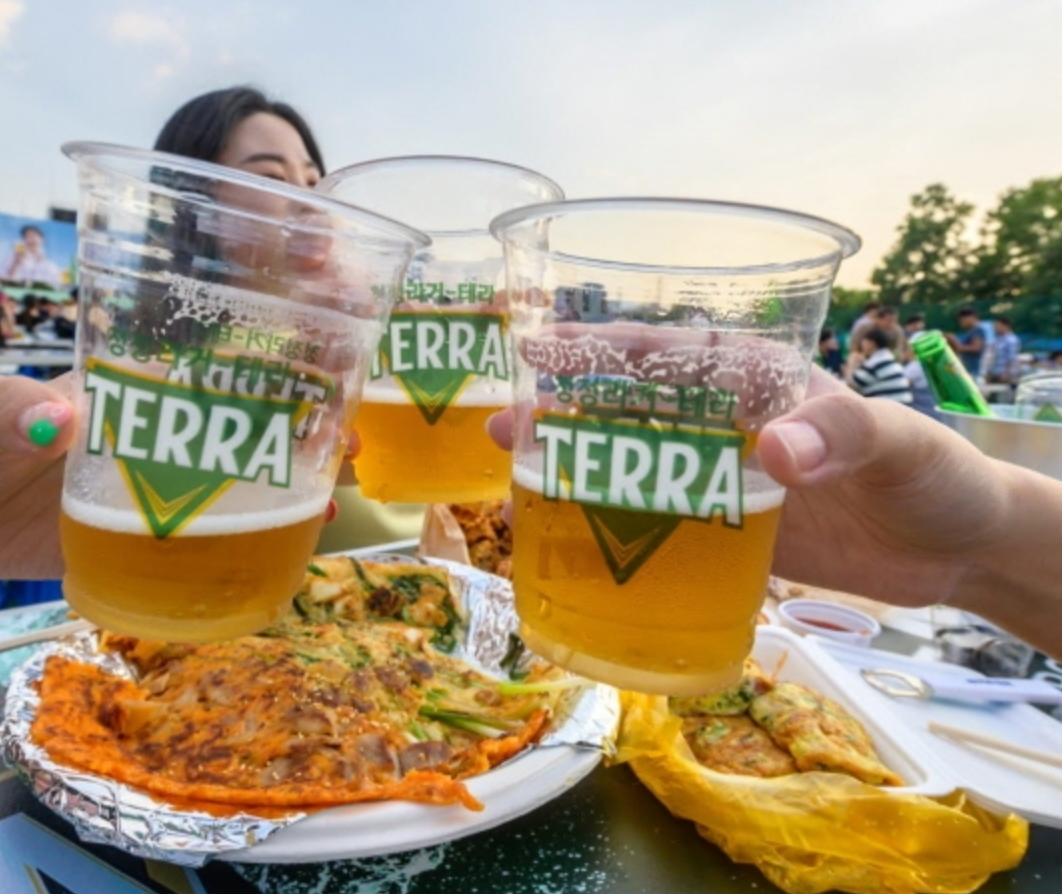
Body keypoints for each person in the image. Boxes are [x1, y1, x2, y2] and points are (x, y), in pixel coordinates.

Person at [845, 327, 913, 404]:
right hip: (901, 407)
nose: (862, 345)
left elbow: (850, 386)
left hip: (888, 411)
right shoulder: (887, 358)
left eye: (864, 341)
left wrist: (851, 363)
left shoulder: (875, 363)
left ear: (872, 343)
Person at [3, 224, 63, 288]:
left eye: (33, 236)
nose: (29, 239)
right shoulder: (12, 258)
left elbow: (56, 286)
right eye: (26, 237)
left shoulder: (51, 266)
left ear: (43, 240)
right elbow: (5, 283)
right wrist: (16, 264)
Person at [946, 307, 986, 378]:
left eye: (962, 320)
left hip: (974, 371)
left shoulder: (977, 330)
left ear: (970, 317)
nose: (961, 323)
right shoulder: (969, 331)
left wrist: (956, 343)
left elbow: (976, 347)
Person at [985, 316, 1021, 385]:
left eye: (997, 326)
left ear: (1005, 326)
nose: (995, 328)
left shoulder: (1011, 340)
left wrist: (1006, 374)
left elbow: (1011, 358)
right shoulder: (998, 340)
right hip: (995, 374)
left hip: (1004, 375)